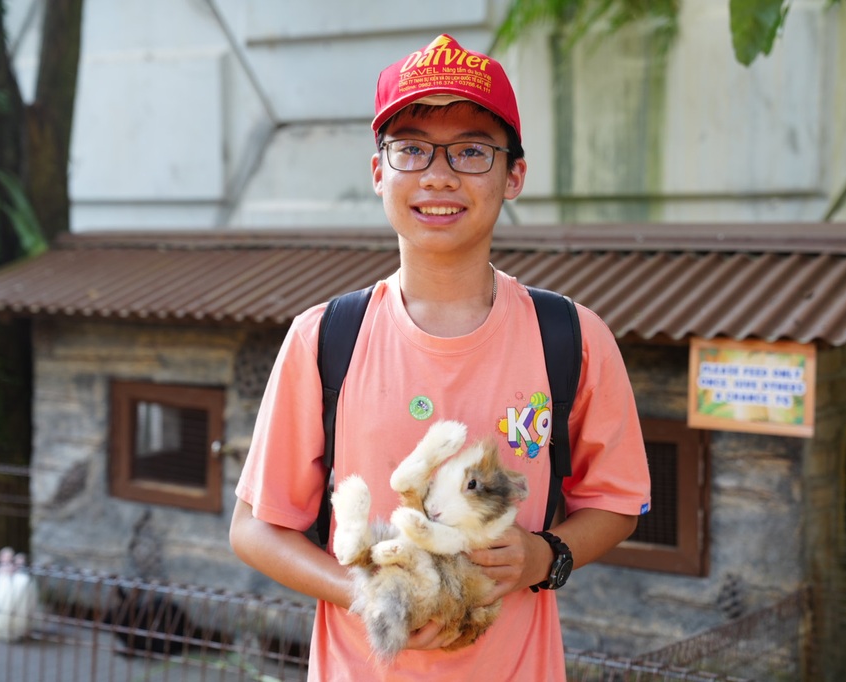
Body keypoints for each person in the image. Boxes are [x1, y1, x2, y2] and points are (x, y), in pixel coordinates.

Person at [229, 33, 651, 681]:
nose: (439, 174)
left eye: (472, 151)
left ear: (514, 175)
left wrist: (545, 557)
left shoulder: (570, 335)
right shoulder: (324, 338)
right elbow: (255, 530)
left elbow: (618, 500)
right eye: (412, 150)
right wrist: (371, 591)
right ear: (379, 173)